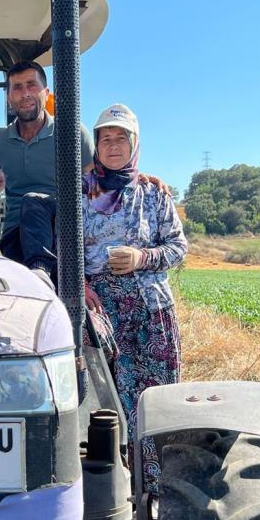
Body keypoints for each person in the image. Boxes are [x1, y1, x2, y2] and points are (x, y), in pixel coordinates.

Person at [82, 103, 187, 487]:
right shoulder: (80, 192)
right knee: (109, 396)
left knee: (157, 398)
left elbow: (177, 248)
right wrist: (82, 285)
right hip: (103, 311)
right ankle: (116, 483)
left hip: (152, 308)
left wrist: (143, 257)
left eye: (120, 138)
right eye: (105, 138)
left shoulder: (154, 193)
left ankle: (158, 490)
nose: (112, 146)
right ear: (95, 146)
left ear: (134, 144)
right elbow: (64, 249)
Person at [0, 61, 94, 272]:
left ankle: (43, 273)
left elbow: (95, 179)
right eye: (17, 87)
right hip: (16, 234)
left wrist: (140, 180)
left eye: (31, 85)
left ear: (46, 93)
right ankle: (40, 274)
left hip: (63, 230)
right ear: (9, 97)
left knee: (35, 203)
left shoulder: (72, 132)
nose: (25, 93)